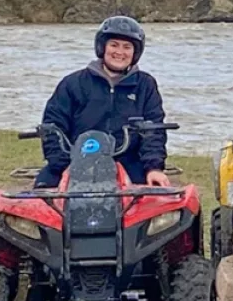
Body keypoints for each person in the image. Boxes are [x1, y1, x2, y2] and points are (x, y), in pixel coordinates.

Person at [34, 16, 171, 189]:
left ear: (135, 53)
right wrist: (62, 164)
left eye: (127, 47)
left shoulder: (145, 85)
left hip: (128, 162)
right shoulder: (73, 83)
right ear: (102, 47)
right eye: (114, 45)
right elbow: (53, 126)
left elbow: (154, 130)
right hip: (74, 161)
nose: (120, 52)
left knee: (159, 203)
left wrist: (154, 167)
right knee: (41, 198)